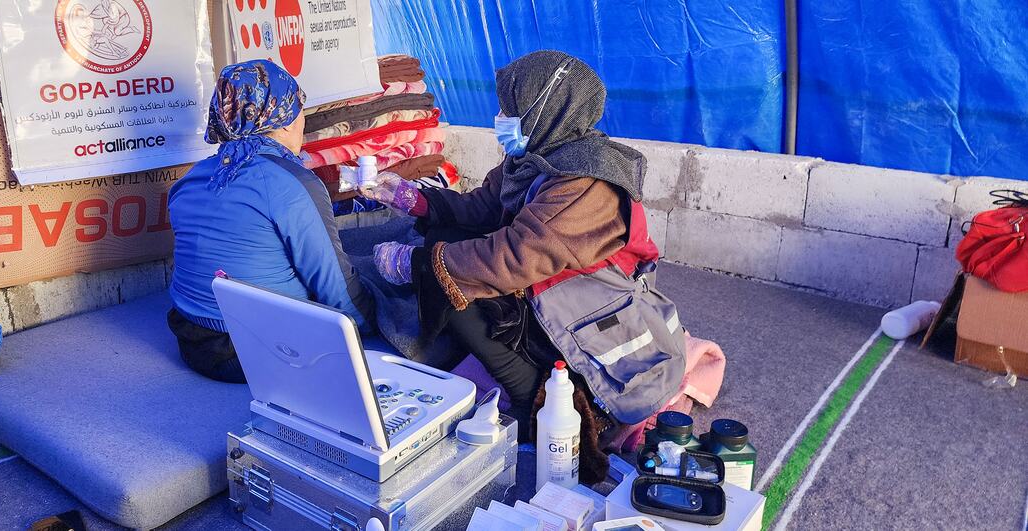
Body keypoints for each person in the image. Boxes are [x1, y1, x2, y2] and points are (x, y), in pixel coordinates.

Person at [364, 51, 686, 477]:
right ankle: (502, 357)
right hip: (548, 289)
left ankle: (532, 395)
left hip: (591, 316)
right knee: (444, 242)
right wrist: (419, 200)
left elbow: (512, 257)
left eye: (509, 109)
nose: (500, 117)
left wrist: (417, 263)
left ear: (545, 109)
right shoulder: (536, 156)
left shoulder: (588, 183)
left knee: (453, 290)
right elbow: (484, 206)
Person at [168, 60, 374, 383]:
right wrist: (368, 325)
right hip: (258, 353)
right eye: (298, 108)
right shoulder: (293, 183)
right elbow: (335, 287)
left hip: (191, 341)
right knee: (376, 273)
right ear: (284, 119)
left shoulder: (189, 180)